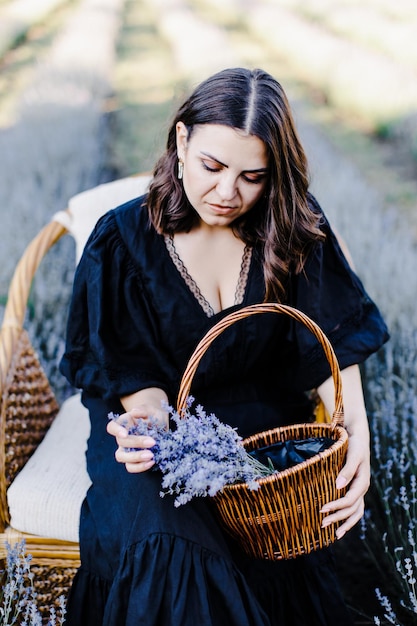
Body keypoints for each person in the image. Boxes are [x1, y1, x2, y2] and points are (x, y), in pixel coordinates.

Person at [60, 67, 389, 626]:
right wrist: (150, 426)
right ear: (182, 140)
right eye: (212, 166)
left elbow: (336, 339)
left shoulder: (291, 225)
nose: (227, 192)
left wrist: (356, 430)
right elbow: (136, 382)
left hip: (263, 425)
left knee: (282, 546)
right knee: (169, 547)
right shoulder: (121, 240)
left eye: (252, 176)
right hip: (163, 437)